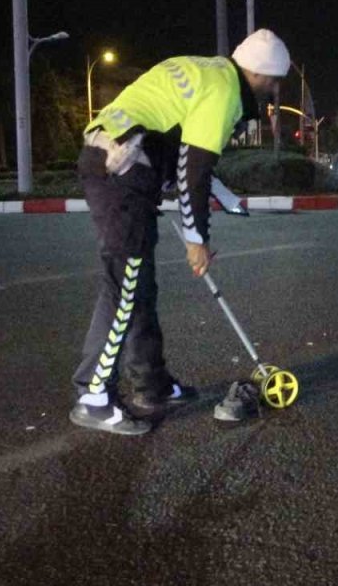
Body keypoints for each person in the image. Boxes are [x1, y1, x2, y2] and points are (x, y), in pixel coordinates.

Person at [67, 29, 291, 435]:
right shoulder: (225, 90)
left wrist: (160, 176)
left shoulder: (205, 69)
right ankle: (93, 396)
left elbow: (173, 139)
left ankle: (150, 384)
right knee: (124, 285)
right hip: (122, 168)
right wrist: (196, 240)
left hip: (120, 159)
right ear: (261, 74)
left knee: (140, 284)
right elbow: (195, 171)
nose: (272, 91)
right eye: (273, 82)